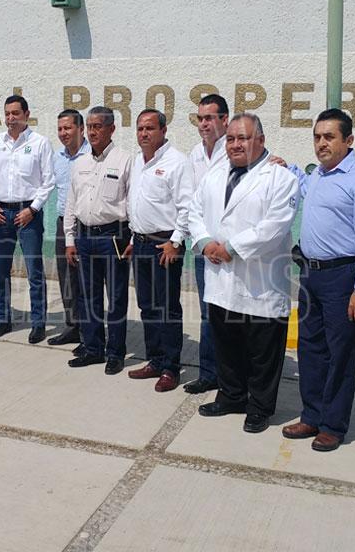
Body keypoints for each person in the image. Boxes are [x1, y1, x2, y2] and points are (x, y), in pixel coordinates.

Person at [188, 113, 299, 433]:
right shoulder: (215, 173)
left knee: (262, 351)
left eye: (244, 138)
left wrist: (231, 248)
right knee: (227, 345)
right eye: (232, 139)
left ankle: (260, 407)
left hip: (260, 281)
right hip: (220, 278)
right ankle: (232, 396)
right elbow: (195, 210)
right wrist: (205, 242)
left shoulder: (281, 178)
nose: (236, 144)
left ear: (260, 140)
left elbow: (274, 227)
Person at [281, 108, 355, 452]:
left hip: (344, 277)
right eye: (317, 137)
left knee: (341, 354)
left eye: (329, 137)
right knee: (310, 348)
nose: (321, 143)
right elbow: (303, 184)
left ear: (348, 140)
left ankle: (333, 425)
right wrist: (285, 166)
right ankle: (311, 415)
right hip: (311, 275)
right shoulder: (319, 176)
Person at [126, 109, 193, 392]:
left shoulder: (177, 162)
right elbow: (137, 202)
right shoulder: (137, 161)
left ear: (163, 131)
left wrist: (176, 242)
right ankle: (155, 360)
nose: (144, 134)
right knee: (147, 306)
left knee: (167, 309)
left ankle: (170, 368)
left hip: (165, 246)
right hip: (141, 243)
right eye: (140, 128)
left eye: (150, 128)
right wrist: (133, 237)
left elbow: (187, 206)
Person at [64, 106, 133, 375]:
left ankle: (115, 353)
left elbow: (133, 202)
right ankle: (93, 348)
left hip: (113, 237)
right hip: (85, 237)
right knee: (88, 296)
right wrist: (70, 239)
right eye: (90, 126)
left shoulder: (125, 160)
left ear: (111, 129)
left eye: (98, 126)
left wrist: (133, 237)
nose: (92, 132)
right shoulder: (80, 163)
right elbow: (71, 203)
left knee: (116, 297)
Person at [0, 95, 55, 343]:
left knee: (34, 271)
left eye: (15, 113)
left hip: (28, 216)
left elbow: (48, 181)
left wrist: (33, 209)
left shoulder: (39, 143)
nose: (11, 118)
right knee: (0, 271)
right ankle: (2, 320)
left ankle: (38, 323)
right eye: (7, 114)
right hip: (2, 214)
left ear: (26, 114)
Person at [183, 93, 229, 394]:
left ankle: (232, 377)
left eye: (209, 118)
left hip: (229, 251)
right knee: (207, 314)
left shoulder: (235, 150)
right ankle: (209, 373)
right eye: (200, 119)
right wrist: (202, 242)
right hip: (203, 249)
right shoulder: (195, 155)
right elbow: (191, 204)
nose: (203, 124)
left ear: (224, 119)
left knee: (231, 314)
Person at [48, 109, 90, 347]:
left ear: (81, 129)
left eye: (68, 128)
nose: (63, 133)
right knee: (66, 277)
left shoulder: (92, 155)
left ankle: (90, 331)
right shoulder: (58, 157)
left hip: (87, 225)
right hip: (63, 223)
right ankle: (73, 326)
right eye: (60, 129)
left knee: (88, 280)